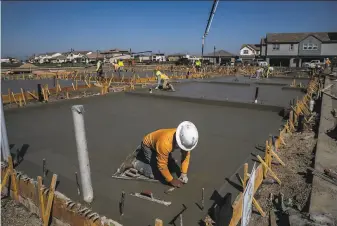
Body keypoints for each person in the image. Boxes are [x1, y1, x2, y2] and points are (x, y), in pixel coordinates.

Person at [122, 121, 199, 187]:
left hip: (159, 145)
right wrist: (171, 180)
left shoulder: (184, 137)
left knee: (170, 165)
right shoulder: (165, 143)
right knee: (156, 174)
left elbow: (185, 156)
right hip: (148, 146)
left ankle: (156, 156)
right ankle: (135, 163)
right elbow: (162, 165)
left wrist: (183, 173)